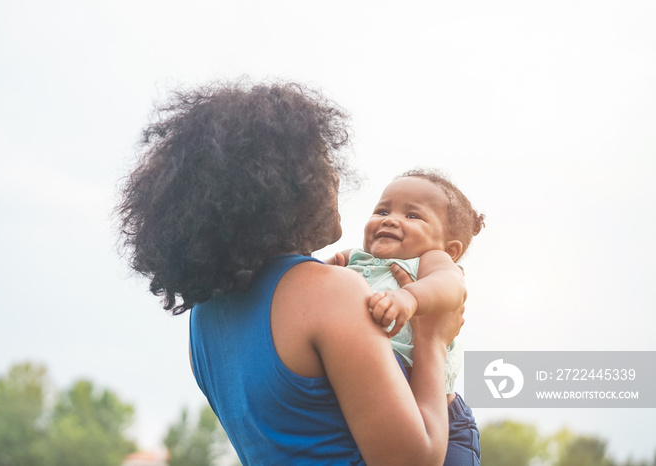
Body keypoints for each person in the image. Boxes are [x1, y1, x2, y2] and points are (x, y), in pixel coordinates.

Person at [116, 80, 465, 465]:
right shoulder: (331, 292)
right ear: (283, 184)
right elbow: (413, 461)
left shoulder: (202, 323)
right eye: (322, 162)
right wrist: (433, 338)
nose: (335, 176)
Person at [328, 169, 485, 465]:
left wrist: (410, 297)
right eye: (382, 210)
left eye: (412, 216)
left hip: (445, 423)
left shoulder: (430, 260)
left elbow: (453, 288)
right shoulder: (357, 258)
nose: (390, 219)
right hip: (380, 399)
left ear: (449, 249)